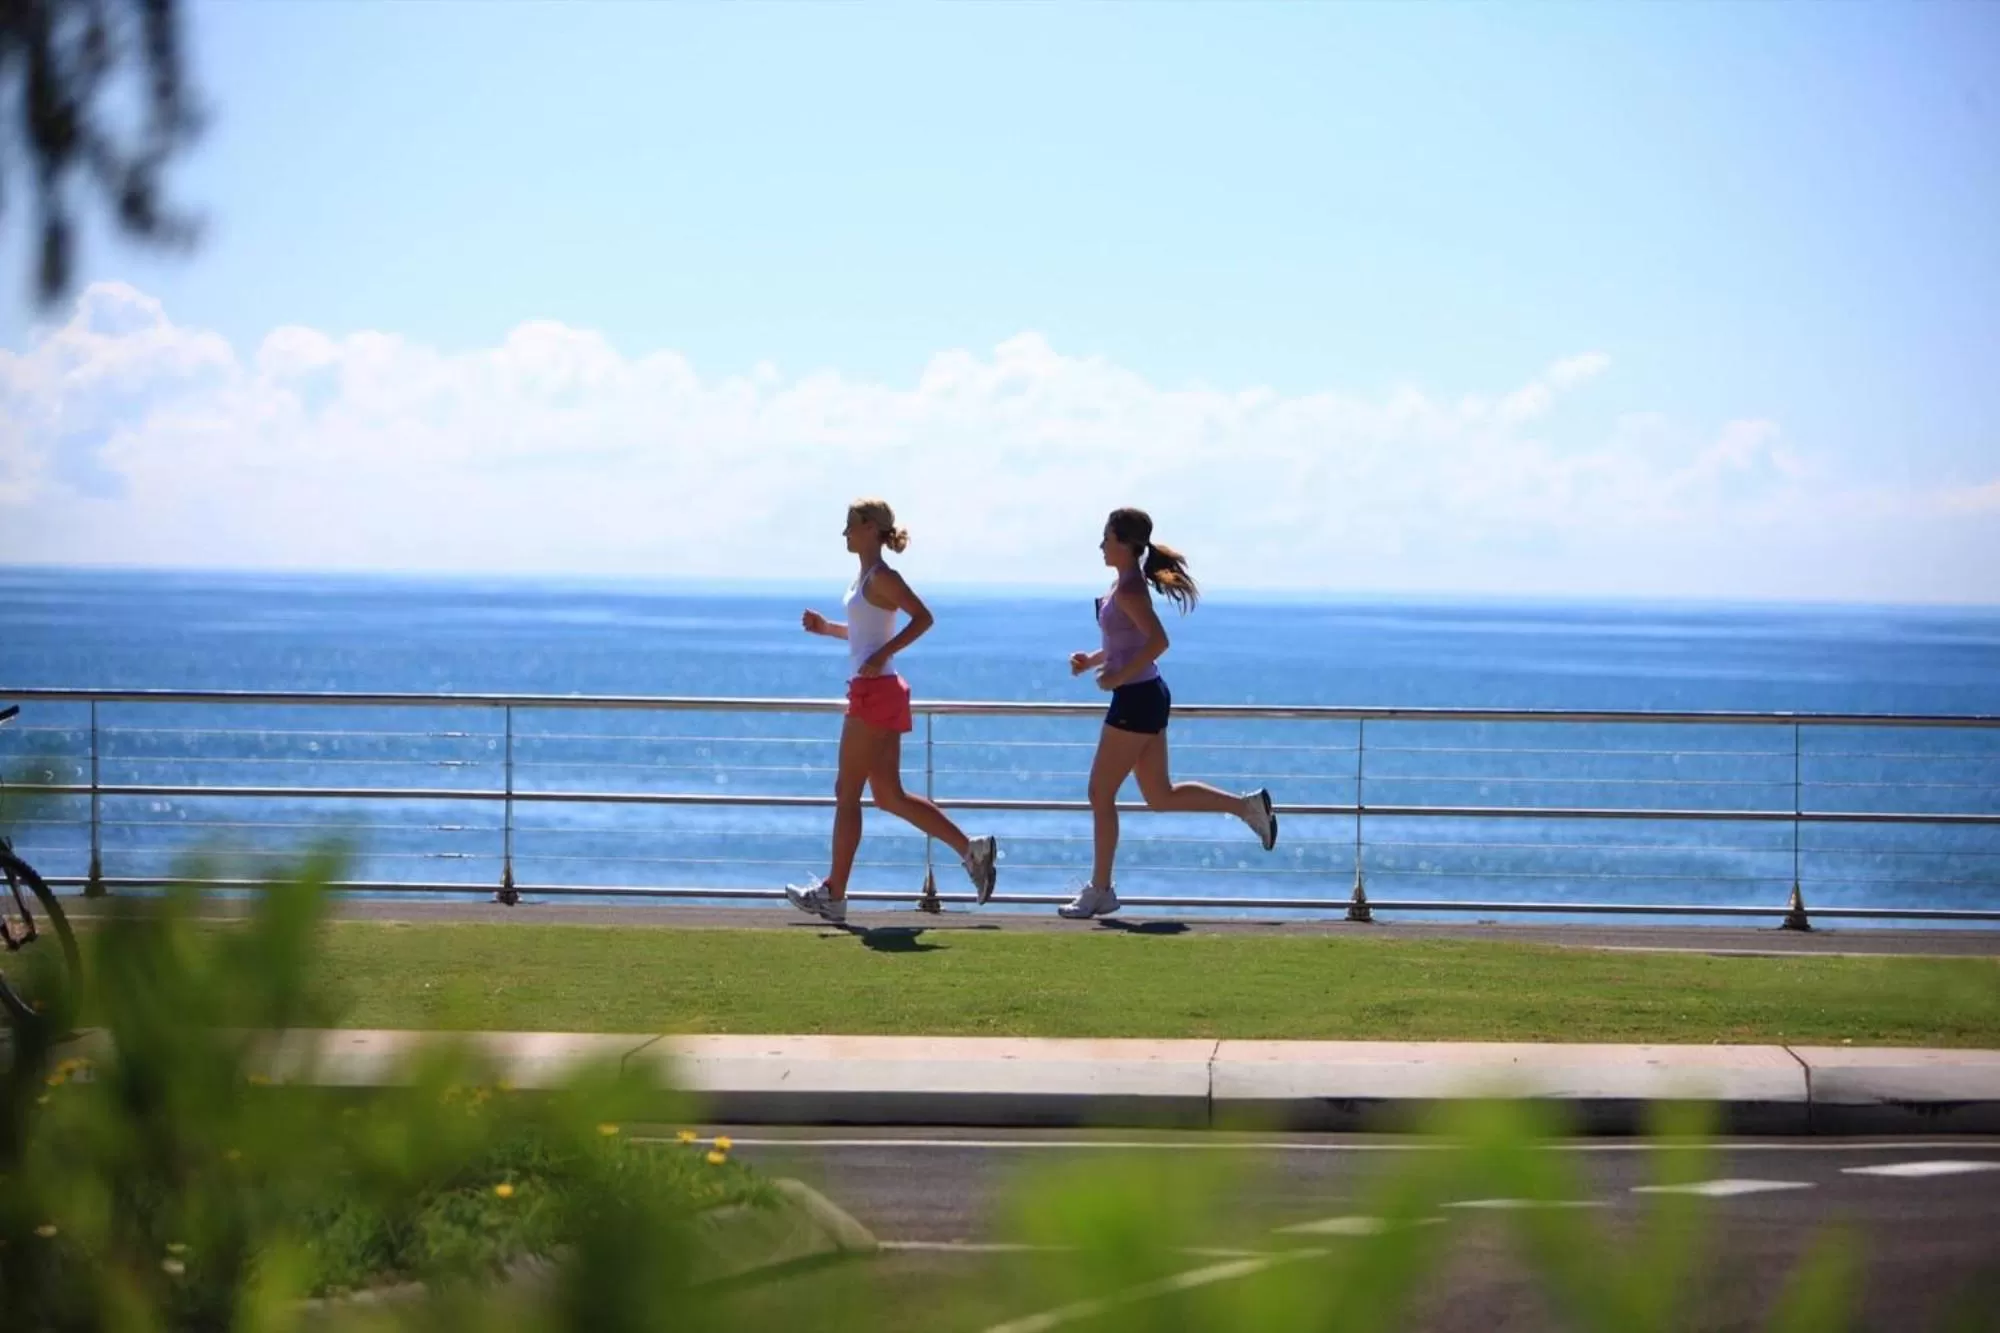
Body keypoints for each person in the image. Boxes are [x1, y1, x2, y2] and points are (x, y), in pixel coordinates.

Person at [786, 498, 998, 924]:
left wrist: (883, 653)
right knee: (888, 795)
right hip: (877, 689)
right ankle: (971, 850)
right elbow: (866, 635)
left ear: (868, 527)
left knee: (847, 792)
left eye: (849, 525)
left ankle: (834, 893)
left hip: (874, 692)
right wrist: (828, 629)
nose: (843, 533)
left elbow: (923, 618)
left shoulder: (883, 576)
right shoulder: (865, 577)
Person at [1059, 507, 1277, 919]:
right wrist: (1092, 660)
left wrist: (1118, 675)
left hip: (1137, 698)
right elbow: (1129, 641)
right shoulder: (1122, 585)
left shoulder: (1130, 591)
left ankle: (1100, 890)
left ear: (1124, 544)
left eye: (1106, 537)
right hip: (1145, 694)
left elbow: (1158, 641)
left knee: (1099, 793)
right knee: (1160, 795)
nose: (1101, 545)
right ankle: (1247, 808)